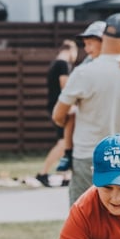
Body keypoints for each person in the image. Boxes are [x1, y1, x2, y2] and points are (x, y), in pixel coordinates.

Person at [53, 13, 120, 206]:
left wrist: (68, 121)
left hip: (88, 155)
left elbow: (58, 115)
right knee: (117, 218)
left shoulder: (84, 72)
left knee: (83, 220)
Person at [36, 39, 79, 186]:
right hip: (62, 108)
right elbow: (65, 87)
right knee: (63, 142)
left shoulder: (54, 63)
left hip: (54, 106)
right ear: (71, 50)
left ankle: (65, 175)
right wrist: (73, 104)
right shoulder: (62, 64)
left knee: (67, 142)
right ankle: (43, 173)